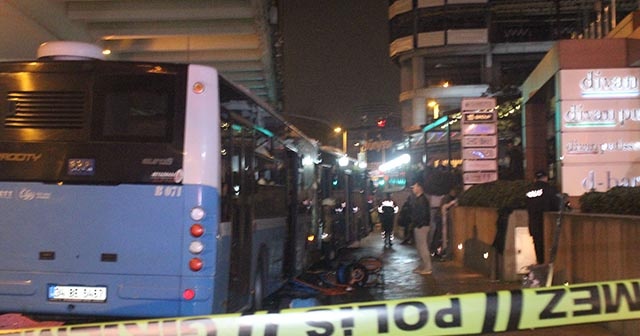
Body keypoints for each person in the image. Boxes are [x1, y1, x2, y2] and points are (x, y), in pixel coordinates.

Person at [526, 170, 560, 264]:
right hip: (547, 224)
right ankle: (548, 270)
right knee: (549, 248)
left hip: (534, 223)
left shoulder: (530, 190)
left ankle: (540, 266)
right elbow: (556, 205)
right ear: (546, 178)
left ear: (535, 179)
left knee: (538, 247)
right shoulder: (550, 189)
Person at [410, 179, 432, 275]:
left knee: (423, 247)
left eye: (414, 187)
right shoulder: (420, 199)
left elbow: (423, 214)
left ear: (419, 187)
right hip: (419, 225)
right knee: (420, 247)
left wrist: (418, 224)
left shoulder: (422, 200)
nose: (413, 189)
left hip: (421, 226)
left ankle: (427, 267)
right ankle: (423, 266)